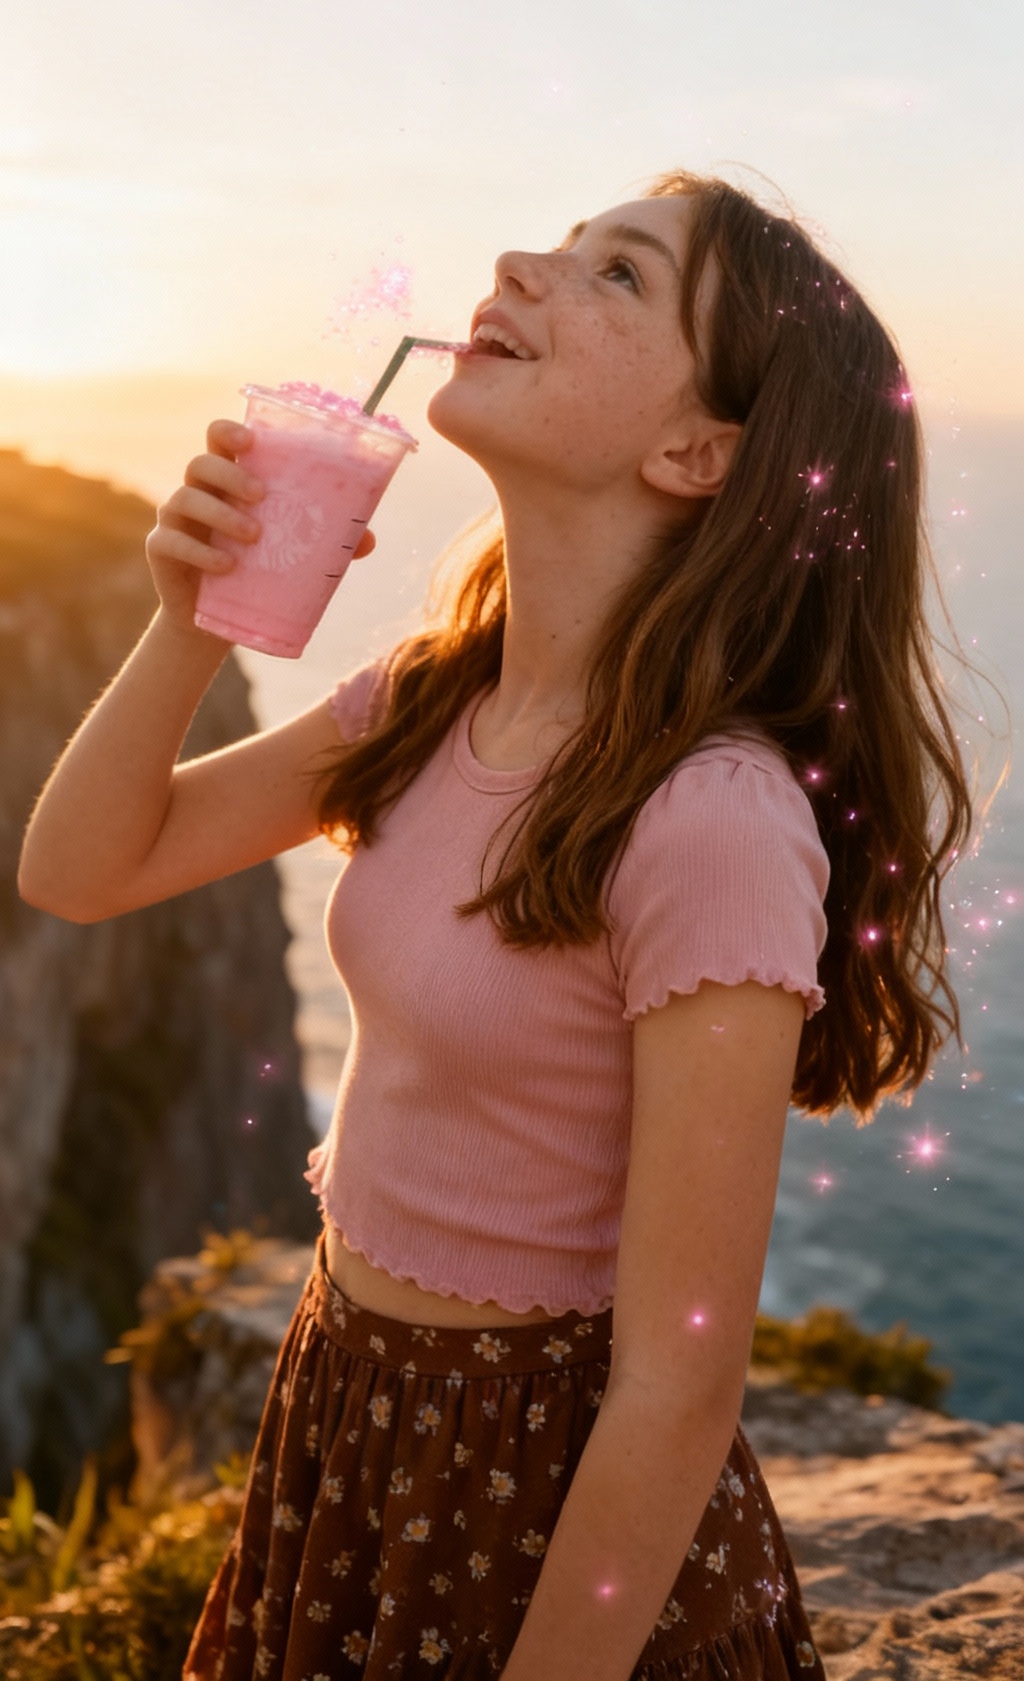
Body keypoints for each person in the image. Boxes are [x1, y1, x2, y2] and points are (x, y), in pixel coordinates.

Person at [18, 170, 971, 1681]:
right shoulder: (429, 700)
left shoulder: (709, 820)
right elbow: (80, 869)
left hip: (541, 1496)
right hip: (351, 1411)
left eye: (618, 278)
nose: (528, 263)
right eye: (567, 243)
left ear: (697, 450)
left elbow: (677, 1381)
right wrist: (186, 621)